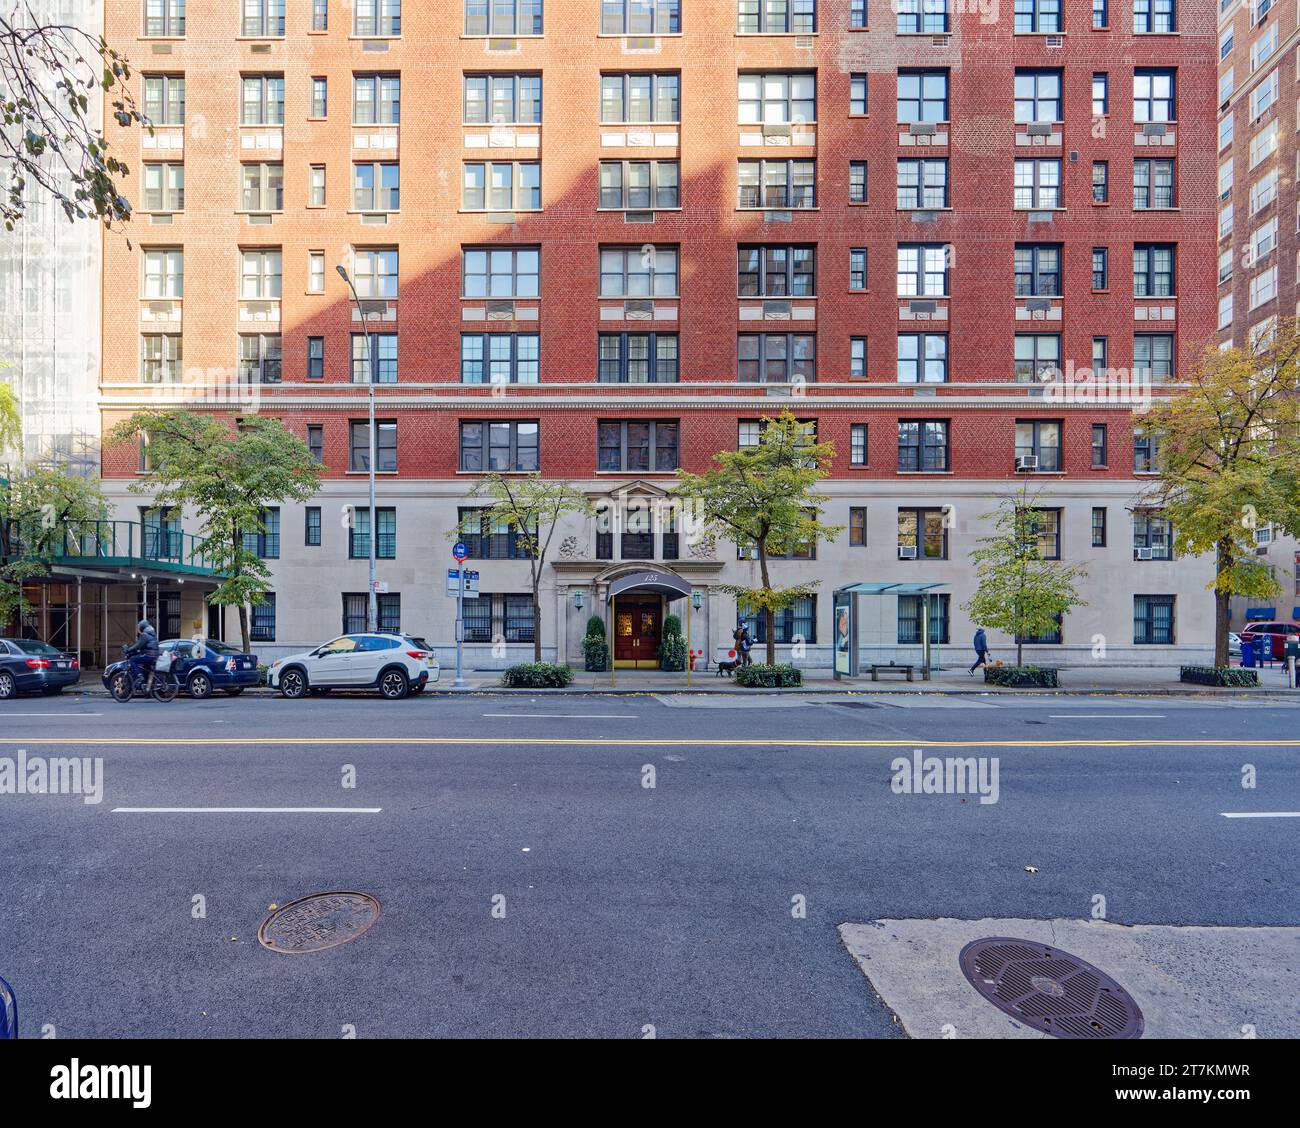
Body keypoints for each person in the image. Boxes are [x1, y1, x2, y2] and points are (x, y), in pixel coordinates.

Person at [124, 619, 159, 692]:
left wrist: (128, 650)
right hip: (154, 656)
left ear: (142, 627)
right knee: (146, 669)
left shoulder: (145, 635)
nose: (138, 629)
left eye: (139, 627)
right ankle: (147, 689)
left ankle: (139, 676)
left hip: (149, 655)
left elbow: (138, 645)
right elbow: (143, 647)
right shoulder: (152, 634)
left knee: (132, 660)